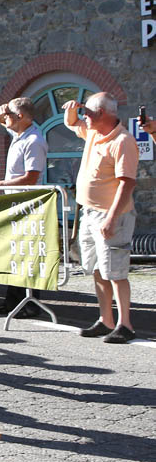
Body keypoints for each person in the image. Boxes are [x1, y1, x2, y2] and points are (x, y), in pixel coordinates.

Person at [63, 94, 139, 343]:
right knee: (97, 269)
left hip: (111, 215)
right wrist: (72, 110)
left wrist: (111, 218)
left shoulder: (123, 141)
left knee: (115, 271)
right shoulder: (95, 132)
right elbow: (71, 124)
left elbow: (126, 184)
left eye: (89, 113)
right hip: (90, 212)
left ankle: (125, 324)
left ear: (103, 114)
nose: (85, 117)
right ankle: (106, 320)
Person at [0, 98, 48, 317]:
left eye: (9, 114)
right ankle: (12, 301)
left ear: (20, 116)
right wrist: (3, 116)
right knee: (15, 253)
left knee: (27, 253)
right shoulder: (20, 135)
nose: (5, 117)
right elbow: (8, 124)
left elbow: (31, 176)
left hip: (27, 204)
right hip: (15, 204)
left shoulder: (34, 140)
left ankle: (30, 302)